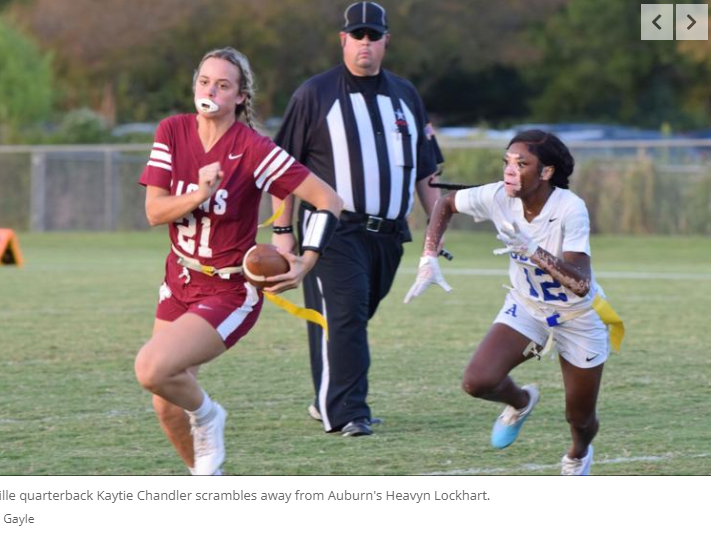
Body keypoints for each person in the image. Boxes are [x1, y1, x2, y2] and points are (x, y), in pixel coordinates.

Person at [134, 47, 342, 475]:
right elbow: (155, 212)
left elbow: (329, 201)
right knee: (164, 399)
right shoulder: (172, 130)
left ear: (241, 97)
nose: (211, 90)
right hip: (179, 279)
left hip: (229, 289)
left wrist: (306, 260)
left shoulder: (254, 149)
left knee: (152, 368)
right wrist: (198, 194)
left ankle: (210, 415)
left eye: (223, 85)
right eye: (205, 81)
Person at [405, 130, 624, 475]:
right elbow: (445, 204)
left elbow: (580, 284)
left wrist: (531, 250)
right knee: (477, 381)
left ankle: (578, 455)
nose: (509, 169)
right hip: (528, 307)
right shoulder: (498, 195)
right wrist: (428, 255)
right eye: (507, 161)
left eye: (522, 163)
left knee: (579, 418)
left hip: (578, 317)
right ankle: (521, 402)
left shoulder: (570, 208)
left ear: (546, 172)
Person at [272, 1, 445, 437]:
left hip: (388, 235)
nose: (364, 43)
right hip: (331, 230)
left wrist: (435, 235)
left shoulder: (405, 95)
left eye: (373, 35)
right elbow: (282, 169)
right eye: (357, 35)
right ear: (342, 39)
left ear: (386, 40)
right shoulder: (315, 94)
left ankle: (326, 398)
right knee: (345, 316)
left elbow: (427, 171)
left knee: (348, 317)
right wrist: (281, 234)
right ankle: (348, 412)